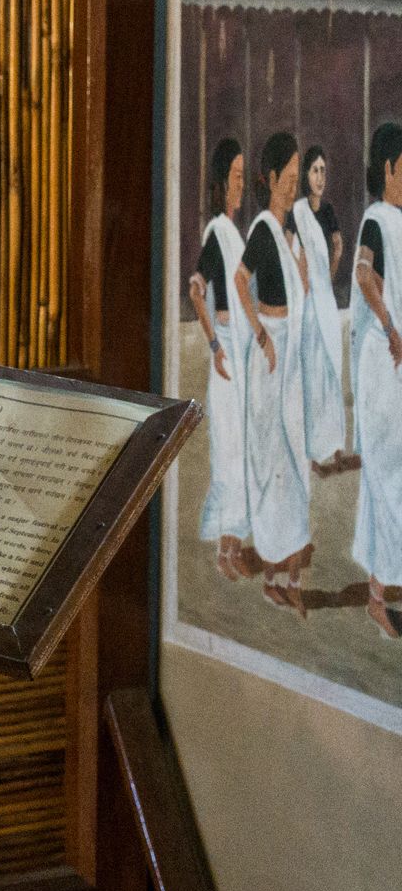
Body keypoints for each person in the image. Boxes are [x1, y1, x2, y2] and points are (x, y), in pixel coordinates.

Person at [235, 131, 312, 613]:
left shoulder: (292, 231)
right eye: (287, 179)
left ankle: (290, 573)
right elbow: (241, 282)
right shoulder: (263, 228)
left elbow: (305, 287)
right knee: (271, 460)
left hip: (293, 357)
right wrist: (262, 337)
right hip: (270, 357)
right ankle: (271, 574)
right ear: (270, 179)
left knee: (295, 461)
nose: (293, 186)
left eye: (296, 178)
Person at [189, 138, 250, 581]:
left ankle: (233, 547)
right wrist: (215, 345)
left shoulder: (234, 232)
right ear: (220, 183)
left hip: (242, 348)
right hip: (226, 349)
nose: (241, 186)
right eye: (236, 177)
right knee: (228, 450)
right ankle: (223, 552)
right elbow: (195, 289)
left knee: (241, 451)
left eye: (244, 177)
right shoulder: (216, 233)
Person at [351, 122, 402, 639]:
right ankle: (380, 594)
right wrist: (390, 326)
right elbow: (365, 275)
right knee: (388, 473)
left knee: (392, 475)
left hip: (399, 361)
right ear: (387, 168)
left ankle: (376, 594)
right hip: (383, 361)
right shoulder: (375, 219)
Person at [293, 146, 352, 475]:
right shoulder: (298, 211)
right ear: (305, 175)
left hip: (324, 300)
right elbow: (294, 250)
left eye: (323, 171)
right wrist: (305, 286)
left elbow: (339, 245)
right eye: (314, 170)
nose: (319, 177)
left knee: (332, 369)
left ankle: (337, 448)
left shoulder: (327, 211)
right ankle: (314, 452)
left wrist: (326, 278)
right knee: (312, 373)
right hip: (306, 305)